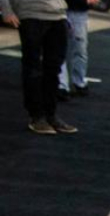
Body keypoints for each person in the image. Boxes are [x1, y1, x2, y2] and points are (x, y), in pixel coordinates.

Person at [1, 0, 78, 134]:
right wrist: (6, 10)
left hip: (58, 15)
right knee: (32, 68)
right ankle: (37, 116)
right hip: (31, 14)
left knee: (54, 68)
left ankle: (50, 115)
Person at [57, 0, 89, 98]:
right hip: (59, 9)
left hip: (78, 10)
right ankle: (62, 85)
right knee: (59, 46)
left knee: (80, 49)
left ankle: (78, 82)